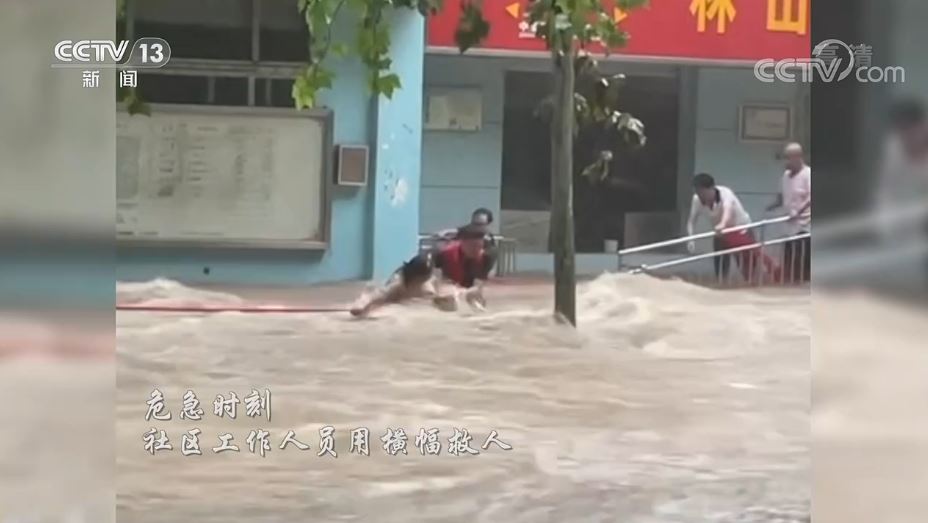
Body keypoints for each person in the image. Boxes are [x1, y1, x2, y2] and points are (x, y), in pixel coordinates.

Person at [350, 223, 497, 317]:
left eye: (480, 247)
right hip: (418, 276)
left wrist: (474, 299)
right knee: (398, 291)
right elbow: (415, 269)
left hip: (446, 285)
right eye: (473, 246)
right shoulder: (443, 252)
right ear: (462, 243)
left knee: (451, 303)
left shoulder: (486, 257)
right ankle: (368, 298)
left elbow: (477, 285)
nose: (477, 250)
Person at [686, 173, 780, 283]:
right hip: (721, 233)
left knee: (747, 262)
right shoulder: (697, 200)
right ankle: (721, 282)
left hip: (741, 229)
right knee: (720, 261)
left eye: (702, 192)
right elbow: (691, 221)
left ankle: (753, 282)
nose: (701, 195)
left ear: (711, 189)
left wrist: (722, 224)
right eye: (697, 192)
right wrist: (691, 238)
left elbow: (728, 211)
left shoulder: (726, 194)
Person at [767, 142, 812, 283]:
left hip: (804, 226)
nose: (786, 161)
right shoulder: (785, 176)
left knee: (802, 259)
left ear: (797, 157)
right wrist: (773, 206)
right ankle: (791, 284)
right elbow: (782, 196)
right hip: (788, 227)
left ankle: (804, 283)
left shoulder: (808, 174)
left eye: (788, 158)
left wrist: (799, 211)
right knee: (789, 259)